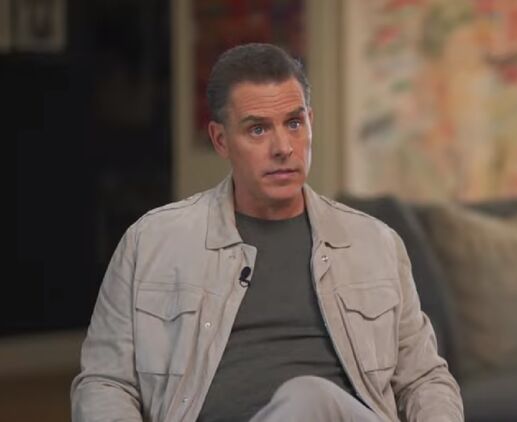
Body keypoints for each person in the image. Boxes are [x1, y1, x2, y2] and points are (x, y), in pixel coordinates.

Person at [70, 43, 463, 422]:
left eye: (294, 123)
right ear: (221, 140)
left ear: (310, 123)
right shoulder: (151, 242)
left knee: (310, 398)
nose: (283, 147)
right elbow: (105, 382)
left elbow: (424, 379)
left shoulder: (375, 243)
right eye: (258, 129)